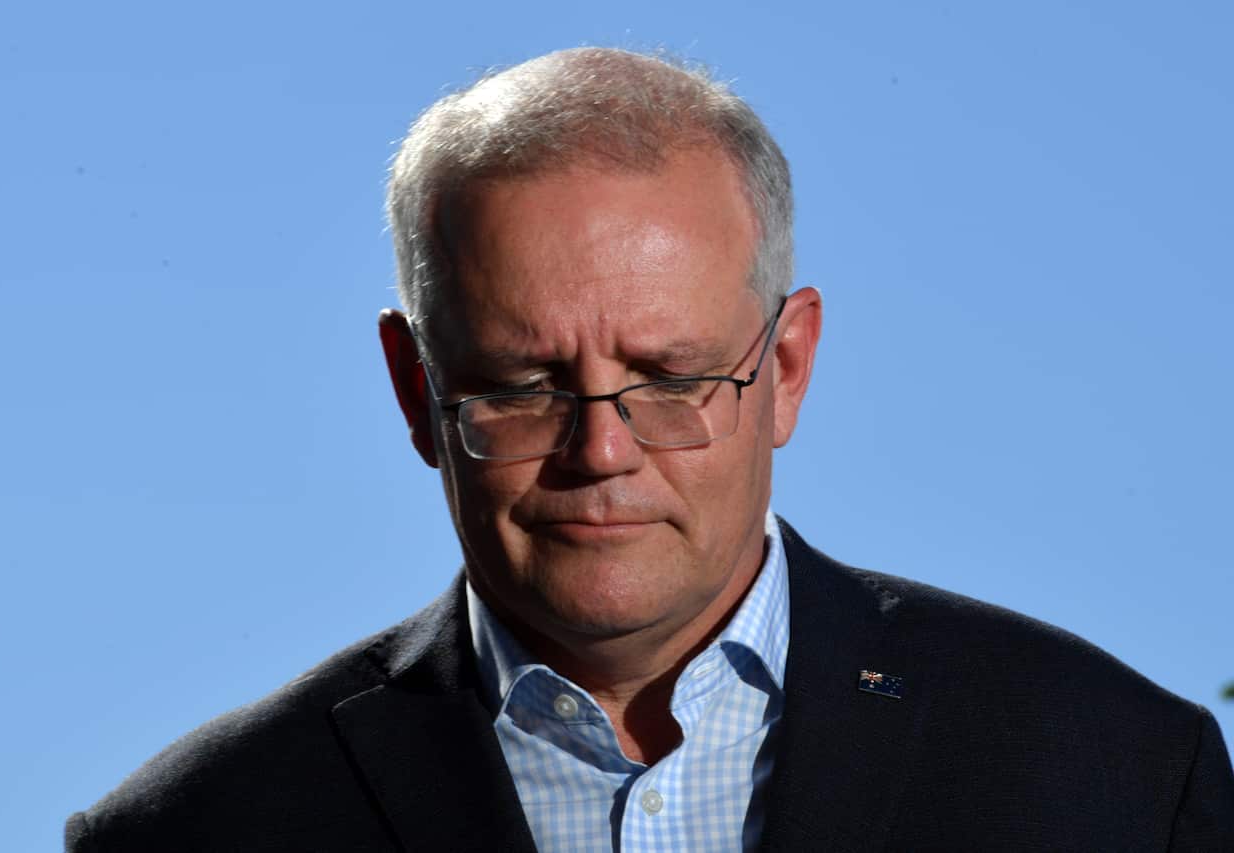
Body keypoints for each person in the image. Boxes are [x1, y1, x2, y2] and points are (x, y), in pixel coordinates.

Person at [66, 47, 1233, 852]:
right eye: (522, 385)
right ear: (415, 390)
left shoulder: (1114, 776)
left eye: (670, 378)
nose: (600, 448)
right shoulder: (194, 832)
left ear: (786, 366)